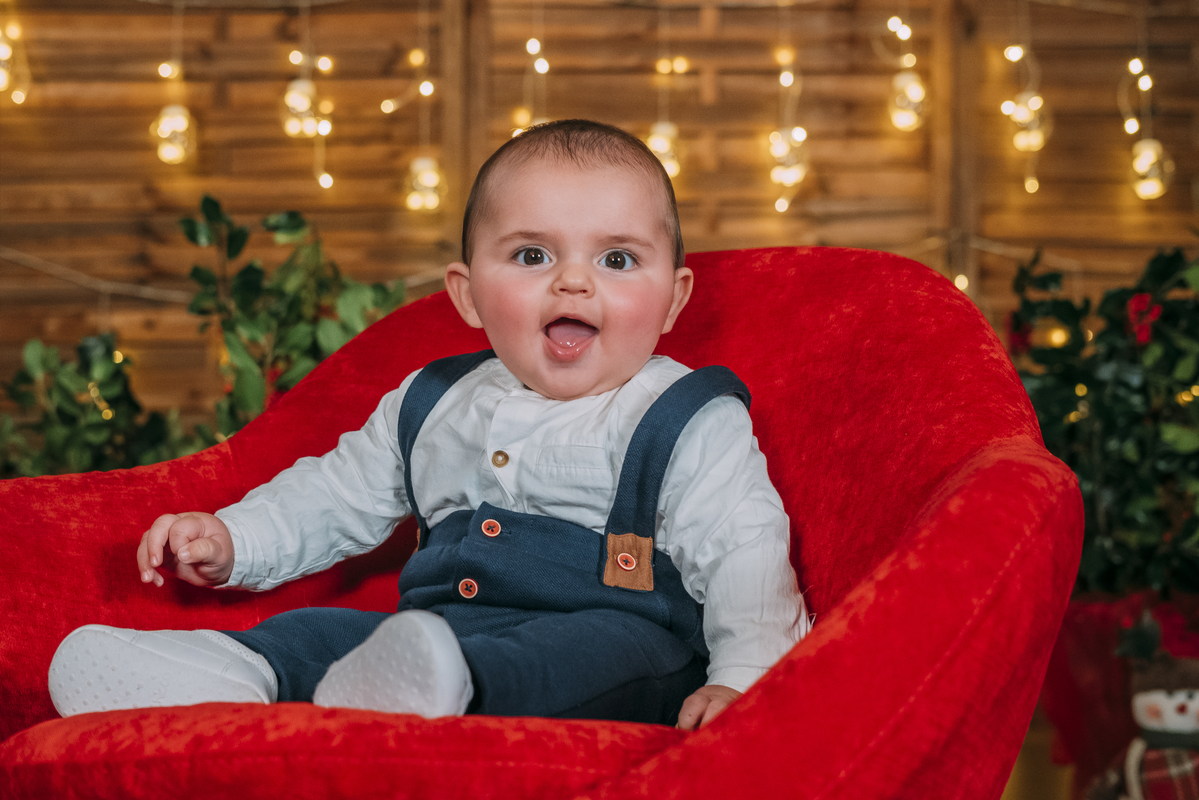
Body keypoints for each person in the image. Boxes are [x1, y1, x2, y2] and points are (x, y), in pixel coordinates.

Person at [48, 119, 809, 731]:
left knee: (575, 654)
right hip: (440, 630)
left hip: (625, 640)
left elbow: (745, 553)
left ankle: (442, 691)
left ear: (674, 300)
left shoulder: (684, 415)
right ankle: (231, 671)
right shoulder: (432, 401)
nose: (573, 280)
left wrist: (745, 681)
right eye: (533, 253)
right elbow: (334, 493)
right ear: (469, 294)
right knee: (320, 631)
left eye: (617, 258)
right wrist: (233, 538)